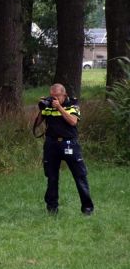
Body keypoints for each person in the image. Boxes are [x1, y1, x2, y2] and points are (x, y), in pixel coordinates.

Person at [36, 83, 94, 215]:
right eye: (52, 96)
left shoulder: (73, 105)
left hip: (69, 144)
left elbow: (73, 121)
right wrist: (41, 107)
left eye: (57, 96)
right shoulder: (49, 105)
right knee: (52, 177)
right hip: (51, 145)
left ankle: (87, 208)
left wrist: (60, 108)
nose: (54, 99)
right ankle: (52, 209)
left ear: (64, 95)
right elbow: (38, 123)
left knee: (80, 176)